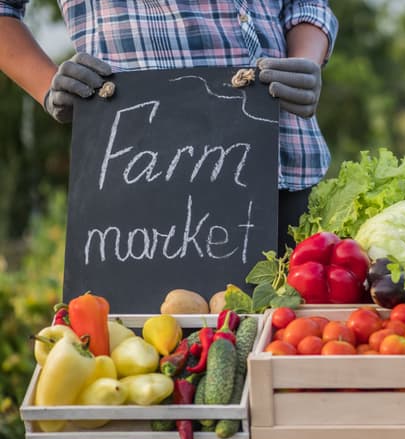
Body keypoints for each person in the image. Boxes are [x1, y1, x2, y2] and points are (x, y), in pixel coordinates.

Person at [0, 0, 338, 251]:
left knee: (301, 343)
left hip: (286, 169)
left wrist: (305, 62)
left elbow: (306, 4)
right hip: (147, 193)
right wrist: (47, 86)